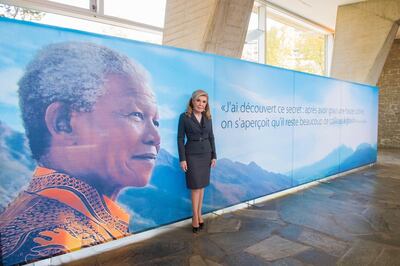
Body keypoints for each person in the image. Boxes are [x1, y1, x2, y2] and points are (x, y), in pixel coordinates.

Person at [0, 42, 160, 265]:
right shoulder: (52, 245)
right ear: (63, 122)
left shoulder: (54, 218)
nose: (155, 137)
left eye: (156, 121)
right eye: (135, 115)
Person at [177, 89, 217, 233]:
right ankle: (195, 217)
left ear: (206, 104)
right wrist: (182, 159)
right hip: (192, 155)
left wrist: (214, 155)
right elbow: (180, 139)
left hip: (206, 154)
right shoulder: (184, 117)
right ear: (192, 101)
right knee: (195, 187)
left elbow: (211, 137)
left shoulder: (208, 117)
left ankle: (200, 214)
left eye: (204, 102)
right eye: (198, 100)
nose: (201, 104)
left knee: (202, 186)